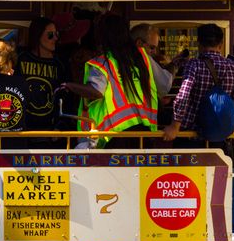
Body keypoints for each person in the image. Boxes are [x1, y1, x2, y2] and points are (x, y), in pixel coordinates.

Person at [62, 14, 172, 148]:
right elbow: (165, 85)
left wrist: (69, 85)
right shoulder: (143, 58)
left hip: (116, 136)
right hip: (145, 134)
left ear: (103, 36)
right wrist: (174, 67)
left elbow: (96, 91)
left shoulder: (103, 63)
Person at [163, 24, 234, 144]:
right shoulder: (233, 67)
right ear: (220, 45)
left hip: (191, 135)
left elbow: (183, 96)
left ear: (199, 45)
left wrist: (174, 126)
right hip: (220, 136)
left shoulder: (194, 64)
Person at [17, 17, 69, 135]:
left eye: (57, 34)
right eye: (50, 35)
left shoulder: (60, 64)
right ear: (37, 35)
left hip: (51, 131)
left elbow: (65, 97)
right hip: (23, 130)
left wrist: (61, 125)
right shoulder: (21, 59)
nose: (55, 38)